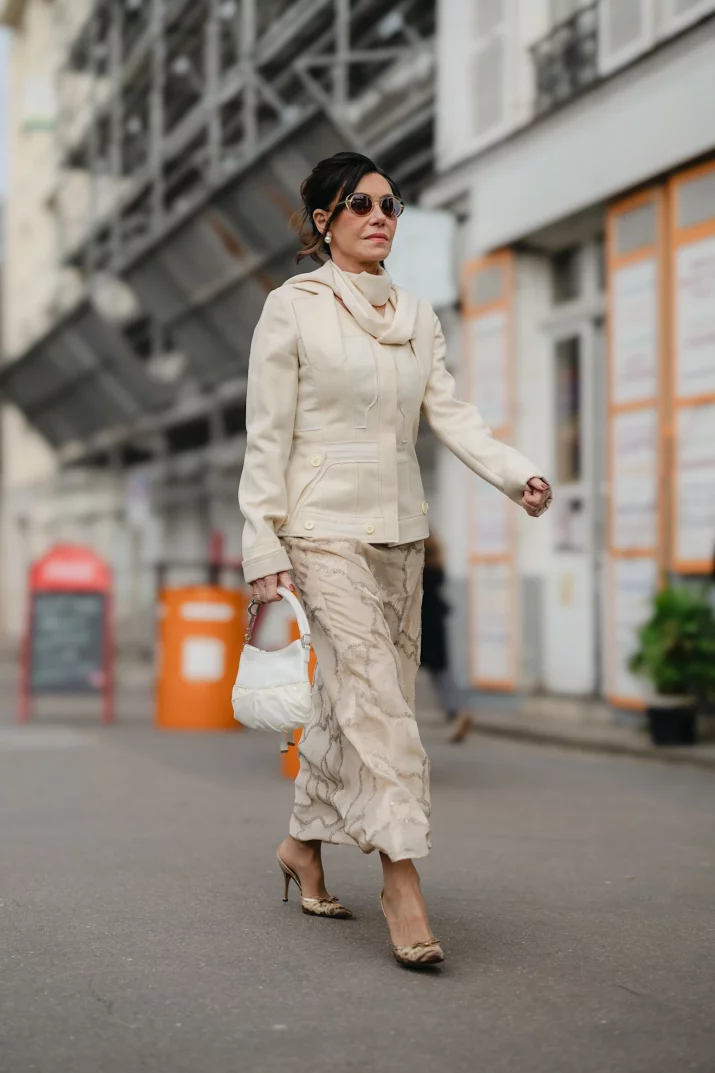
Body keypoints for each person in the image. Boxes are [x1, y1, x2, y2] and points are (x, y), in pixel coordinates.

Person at [238, 151, 552, 968]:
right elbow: (266, 437)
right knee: (379, 705)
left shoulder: (416, 314)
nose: (380, 216)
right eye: (360, 204)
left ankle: (301, 843)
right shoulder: (292, 308)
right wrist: (261, 543)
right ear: (324, 221)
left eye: (390, 204)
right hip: (320, 530)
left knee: (349, 704)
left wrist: (514, 473)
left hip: (400, 534)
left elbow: (451, 413)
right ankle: (401, 880)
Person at [421, 535, 471, 743]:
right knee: (441, 673)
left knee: (405, 671)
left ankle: (456, 711)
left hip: (421, 626)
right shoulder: (437, 567)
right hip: (437, 626)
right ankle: (456, 711)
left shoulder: (419, 569)